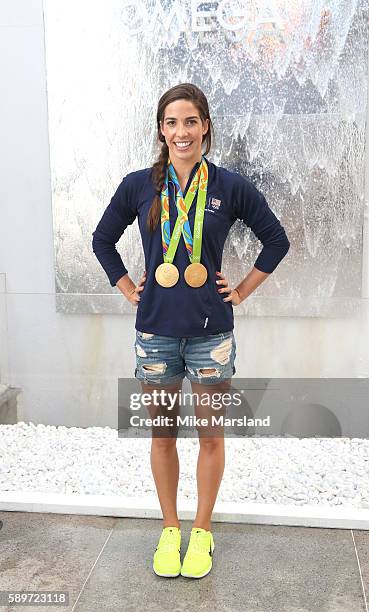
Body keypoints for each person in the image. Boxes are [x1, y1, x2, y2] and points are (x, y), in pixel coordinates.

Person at [92, 83, 290, 579]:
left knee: (210, 436)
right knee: (162, 437)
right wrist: (126, 286)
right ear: (161, 130)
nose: (182, 132)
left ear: (205, 127)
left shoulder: (230, 186)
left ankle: (201, 532)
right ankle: (170, 528)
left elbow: (276, 240)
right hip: (156, 332)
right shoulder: (139, 185)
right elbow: (102, 240)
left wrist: (240, 292)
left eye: (191, 122)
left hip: (211, 335)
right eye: (172, 123)